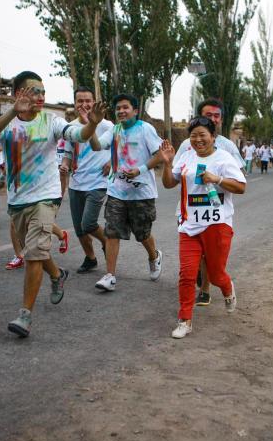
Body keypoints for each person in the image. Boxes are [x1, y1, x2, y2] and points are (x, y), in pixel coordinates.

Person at [0, 71, 107, 338]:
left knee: (32, 253)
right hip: (17, 199)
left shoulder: (52, 121)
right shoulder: (7, 123)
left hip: (46, 197)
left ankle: (24, 315)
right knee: (35, 250)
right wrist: (11, 112)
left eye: (43, 91)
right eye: (34, 91)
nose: (40, 96)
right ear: (19, 94)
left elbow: (79, 134)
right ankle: (57, 274)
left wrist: (92, 125)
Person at [159, 116, 246, 338]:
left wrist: (216, 179)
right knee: (187, 275)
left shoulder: (224, 158)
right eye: (193, 136)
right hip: (189, 224)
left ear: (213, 137)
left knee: (216, 275)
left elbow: (240, 187)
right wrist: (168, 164)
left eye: (202, 135)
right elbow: (169, 184)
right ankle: (185, 320)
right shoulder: (186, 157)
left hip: (217, 224)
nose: (198, 140)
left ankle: (227, 288)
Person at [173, 98, 246, 306]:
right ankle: (192, 300)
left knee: (210, 257)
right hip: (190, 209)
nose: (212, 118)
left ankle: (206, 288)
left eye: (216, 116)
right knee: (193, 258)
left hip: (215, 209)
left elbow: (240, 178)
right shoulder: (188, 145)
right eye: (208, 115)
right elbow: (175, 172)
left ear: (220, 121)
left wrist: (220, 175)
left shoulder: (227, 147)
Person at [93, 93, 164, 292]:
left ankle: (154, 256)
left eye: (125, 107)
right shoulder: (114, 130)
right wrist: (92, 125)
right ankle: (110, 276)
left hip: (142, 192)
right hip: (117, 190)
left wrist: (139, 170)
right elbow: (96, 145)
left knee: (142, 234)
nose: (121, 111)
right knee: (112, 232)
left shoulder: (145, 129)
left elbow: (160, 154)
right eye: (118, 108)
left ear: (135, 111)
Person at [63, 86, 112, 274]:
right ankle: (91, 258)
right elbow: (68, 152)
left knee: (88, 223)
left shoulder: (106, 125)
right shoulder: (70, 127)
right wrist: (65, 165)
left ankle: (107, 242)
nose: (84, 104)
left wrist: (111, 162)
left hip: (98, 182)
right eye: (80, 101)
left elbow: (121, 150)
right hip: (76, 183)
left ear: (94, 102)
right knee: (79, 229)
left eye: (88, 101)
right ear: (75, 103)